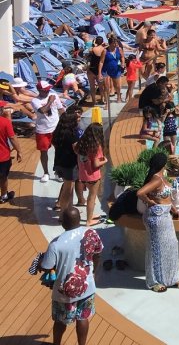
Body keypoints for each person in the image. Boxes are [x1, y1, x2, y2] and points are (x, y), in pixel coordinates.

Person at [41, 207, 103, 345]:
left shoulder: (56, 244)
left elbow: (46, 266)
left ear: (63, 223)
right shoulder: (91, 233)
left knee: (60, 320)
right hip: (87, 286)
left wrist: (40, 261)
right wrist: (93, 272)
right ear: (78, 220)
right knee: (83, 318)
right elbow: (98, 254)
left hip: (64, 291)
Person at [136, 152, 179, 292]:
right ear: (163, 163)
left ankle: (172, 279)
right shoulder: (156, 179)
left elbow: (166, 198)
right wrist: (150, 202)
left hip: (165, 215)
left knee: (172, 245)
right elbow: (140, 193)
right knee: (156, 249)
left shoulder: (162, 177)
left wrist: (173, 209)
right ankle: (154, 282)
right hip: (156, 216)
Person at [75, 123, 107, 227]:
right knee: (91, 197)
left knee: (90, 197)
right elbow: (96, 164)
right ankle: (89, 220)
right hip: (93, 176)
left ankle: (90, 214)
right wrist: (105, 161)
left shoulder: (81, 143)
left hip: (82, 175)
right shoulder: (96, 146)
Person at [32, 81, 63, 183]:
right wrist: (50, 101)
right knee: (43, 151)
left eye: (49, 89)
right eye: (46, 90)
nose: (48, 91)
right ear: (40, 90)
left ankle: (58, 172)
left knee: (59, 150)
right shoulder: (35, 101)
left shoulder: (53, 95)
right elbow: (43, 111)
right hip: (42, 130)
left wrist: (68, 121)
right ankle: (46, 173)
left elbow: (60, 109)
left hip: (56, 127)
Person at [0, 104, 23, 203]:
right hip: (2, 156)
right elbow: (12, 138)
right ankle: (4, 196)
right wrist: (19, 151)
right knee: (3, 177)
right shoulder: (5, 122)